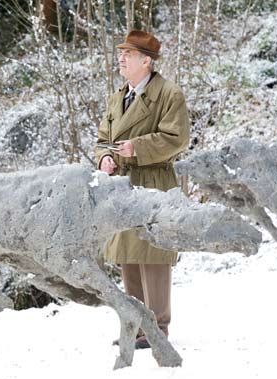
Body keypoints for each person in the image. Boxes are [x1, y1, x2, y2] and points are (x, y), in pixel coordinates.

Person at [94, 30, 190, 349]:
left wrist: (138, 147)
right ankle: (136, 326)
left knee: (153, 255)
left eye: (128, 54)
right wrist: (105, 156)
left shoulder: (168, 94)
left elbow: (177, 139)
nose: (121, 58)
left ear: (146, 61)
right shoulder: (118, 96)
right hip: (122, 186)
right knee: (128, 256)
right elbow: (103, 138)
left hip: (153, 183)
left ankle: (158, 328)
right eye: (120, 52)